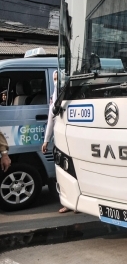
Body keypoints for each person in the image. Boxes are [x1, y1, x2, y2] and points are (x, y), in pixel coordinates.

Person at [41, 70, 70, 213]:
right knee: (61, 173)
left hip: (70, 140)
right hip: (59, 141)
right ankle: (67, 202)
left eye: (58, 78)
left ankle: (73, 203)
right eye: (54, 78)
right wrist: (46, 141)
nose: (56, 80)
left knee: (70, 171)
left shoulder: (69, 94)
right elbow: (50, 120)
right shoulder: (55, 97)